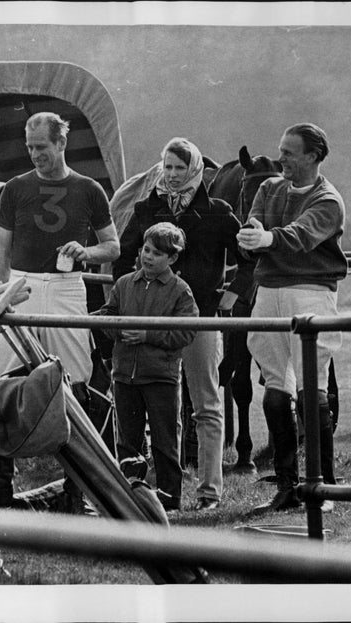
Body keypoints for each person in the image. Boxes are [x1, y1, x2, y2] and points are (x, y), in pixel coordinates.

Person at [0, 111, 120, 512]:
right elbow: (1, 251)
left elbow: (114, 246)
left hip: (66, 288)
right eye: (30, 147)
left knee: (75, 383)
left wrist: (85, 252)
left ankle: (79, 489)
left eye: (42, 147)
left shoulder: (89, 189)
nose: (35, 154)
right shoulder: (16, 188)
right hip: (20, 286)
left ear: (61, 143)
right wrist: (1, 296)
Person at [112, 137, 253, 511]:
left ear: (194, 170)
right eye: (167, 167)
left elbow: (250, 257)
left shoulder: (219, 212)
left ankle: (209, 491)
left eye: (179, 168)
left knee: (206, 404)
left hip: (201, 317)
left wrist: (235, 290)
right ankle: (158, 493)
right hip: (153, 323)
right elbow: (123, 258)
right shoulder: (147, 208)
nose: (173, 176)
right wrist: (129, 298)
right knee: (162, 407)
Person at [238, 123, 346, 514]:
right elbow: (255, 224)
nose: (280, 158)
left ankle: (325, 486)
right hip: (269, 290)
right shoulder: (269, 188)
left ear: (313, 156)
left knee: (311, 387)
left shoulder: (328, 200)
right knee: (275, 387)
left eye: (288, 152)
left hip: (310, 291)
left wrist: (267, 239)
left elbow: (300, 235)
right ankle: (286, 486)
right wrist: (251, 237)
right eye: (281, 150)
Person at [97, 222, 198, 510]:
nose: (148, 257)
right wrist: (117, 329)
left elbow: (186, 332)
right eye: (146, 250)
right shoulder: (124, 284)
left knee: (164, 439)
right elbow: (107, 314)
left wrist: (147, 335)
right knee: (128, 440)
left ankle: (169, 496)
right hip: (125, 375)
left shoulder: (180, 291)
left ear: (173, 259)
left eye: (157, 253)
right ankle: (131, 493)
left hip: (160, 376)